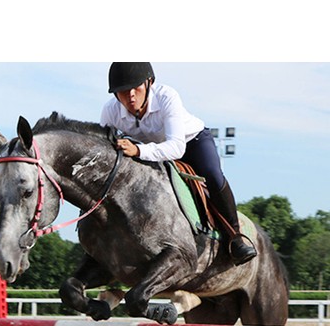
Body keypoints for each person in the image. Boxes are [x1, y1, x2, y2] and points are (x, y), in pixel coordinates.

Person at [100, 62, 257, 266]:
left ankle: (235, 237)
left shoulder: (167, 96)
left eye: (136, 88)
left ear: (149, 83)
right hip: (150, 152)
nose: (130, 95)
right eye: (123, 91)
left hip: (191, 144)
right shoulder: (110, 111)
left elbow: (176, 148)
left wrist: (138, 150)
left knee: (212, 174)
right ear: (115, 95)